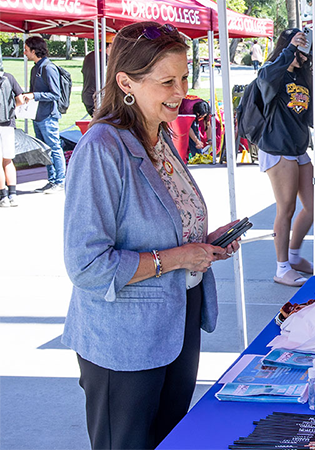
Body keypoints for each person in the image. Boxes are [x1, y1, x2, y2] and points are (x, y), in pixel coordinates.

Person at [61, 22, 241, 450]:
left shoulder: (157, 136)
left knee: (169, 441)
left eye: (183, 78)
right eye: (167, 82)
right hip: (124, 340)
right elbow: (87, 265)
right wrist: (178, 258)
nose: (181, 92)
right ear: (126, 82)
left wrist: (202, 242)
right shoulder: (102, 149)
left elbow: (165, 220)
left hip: (177, 322)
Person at [256, 28, 315, 286]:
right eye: (296, 46)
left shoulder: (301, 75)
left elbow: (304, 111)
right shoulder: (272, 71)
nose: (301, 51)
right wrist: (289, 50)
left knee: (314, 208)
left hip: (298, 148)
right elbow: (266, 78)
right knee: (286, 207)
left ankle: (293, 255)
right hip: (278, 147)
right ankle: (281, 268)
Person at [22, 36, 66, 194]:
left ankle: (60, 181)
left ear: (34, 51)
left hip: (48, 116)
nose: (24, 53)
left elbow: (55, 94)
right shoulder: (36, 68)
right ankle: (52, 180)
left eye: (26, 50)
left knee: (54, 147)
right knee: (44, 149)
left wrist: (35, 95)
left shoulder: (48, 68)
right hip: (38, 115)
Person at [0, 60, 25, 208]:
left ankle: (3, 196)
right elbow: (21, 99)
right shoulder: (9, 77)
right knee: (8, 160)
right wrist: (12, 109)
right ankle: (13, 194)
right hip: (8, 123)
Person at [82, 33, 114, 116]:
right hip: (97, 99)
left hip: (88, 96)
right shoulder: (105, 59)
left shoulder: (90, 56)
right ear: (110, 45)